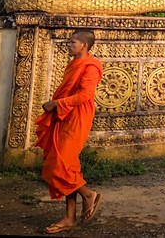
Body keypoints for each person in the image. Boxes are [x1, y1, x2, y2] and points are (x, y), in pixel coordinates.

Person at [35, 29, 104, 234]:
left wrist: (57, 103)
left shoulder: (91, 66)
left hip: (78, 116)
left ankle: (88, 194)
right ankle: (69, 217)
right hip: (64, 115)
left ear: (84, 45)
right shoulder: (73, 63)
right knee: (67, 164)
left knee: (60, 164)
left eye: (73, 42)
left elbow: (84, 96)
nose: (69, 44)